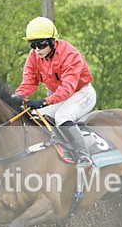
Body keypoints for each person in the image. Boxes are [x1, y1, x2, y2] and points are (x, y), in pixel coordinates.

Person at [13, 16, 97, 166]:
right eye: (32, 45)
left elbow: (67, 88)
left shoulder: (70, 55)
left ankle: (84, 157)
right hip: (60, 97)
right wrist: (17, 97)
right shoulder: (33, 57)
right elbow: (28, 83)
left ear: (52, 41)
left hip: (82, 93)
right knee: (34, 116)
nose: (37, 49)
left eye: (41, 44)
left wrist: (44, 101)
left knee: (62, 116)